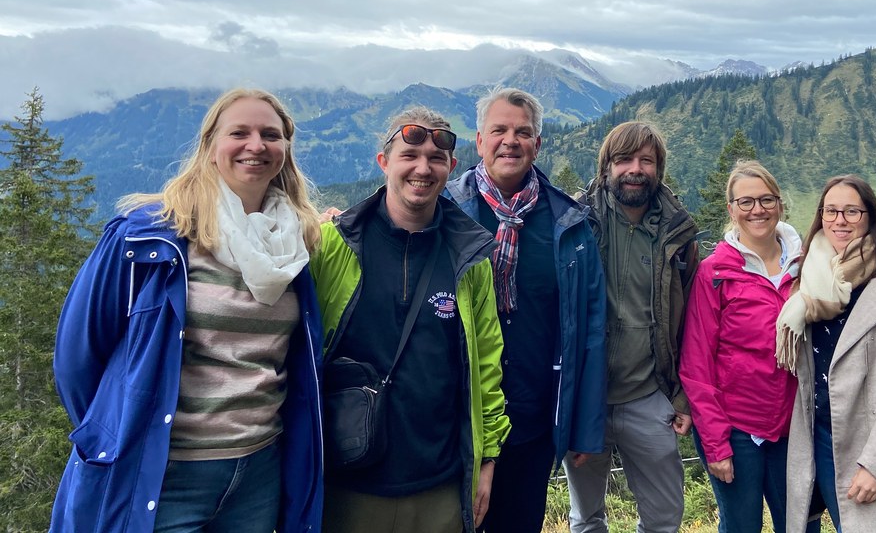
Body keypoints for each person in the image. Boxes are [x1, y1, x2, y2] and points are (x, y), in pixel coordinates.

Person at [51, 88, 326, 532]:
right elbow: (77, 357)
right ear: (210, 148)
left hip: (258, 472)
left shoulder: (296, 245)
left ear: (285, 150)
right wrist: (115, 435)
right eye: (239, 132)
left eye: (270, 135)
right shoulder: (147, 238)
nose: (256, 145)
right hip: (165, 474)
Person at [311, 107, 510, 533]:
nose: (423, 167)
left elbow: (487, 366)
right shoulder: (331, 246)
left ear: (451, 167)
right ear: (384, 162)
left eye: (436, 159)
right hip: (346, 480)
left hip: (437, 485)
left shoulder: (469, 256)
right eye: (409, 155)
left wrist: (487, 458)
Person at [444, 88, 607, 533]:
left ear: (537, 143)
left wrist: (584, 426)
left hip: (531, 417)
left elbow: (590, 327)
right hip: (453, 414)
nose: (510, 141)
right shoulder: (446, 211)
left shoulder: (568, 223)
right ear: (478, 141)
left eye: (523, 132)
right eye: (499, 130)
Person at [775, 174, 876, 533]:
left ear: (870, 219)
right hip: (818, 442)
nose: (840, 220)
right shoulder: (807, 292)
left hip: (874, 445)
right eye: (831, 211)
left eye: (852, 211)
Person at [565, 121, 700, 533]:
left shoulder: (679, 235)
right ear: (607, 166)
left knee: (663, 520)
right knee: (586, 519)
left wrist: (681, 397)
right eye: (624, 159)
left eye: (646, 160)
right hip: (586, 399)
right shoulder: (574, 223)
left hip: (648, 396)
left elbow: (694, 323)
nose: (635, 169)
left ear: (659, 168)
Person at [681, 160, 818, 533]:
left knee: (801, 525)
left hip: (794, 427)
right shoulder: (715, 272)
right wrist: (716, 444)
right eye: (746, 202)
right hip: (736, 427)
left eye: (766, 199)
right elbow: (696, 364)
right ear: (732, 209)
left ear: (780, 204)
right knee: (741, 526)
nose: (757, 210)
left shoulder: (808, 266)